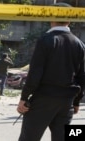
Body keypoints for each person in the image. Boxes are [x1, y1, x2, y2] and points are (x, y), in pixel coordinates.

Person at [16, 2, 85, 141]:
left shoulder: (46, 40)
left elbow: (35, 73)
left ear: (51, 17)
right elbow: (82, 76)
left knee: (29, 138)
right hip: (67, 101)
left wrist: (24, 97)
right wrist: (76, 101)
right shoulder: (79, 44)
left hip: (44, 98)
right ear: (70, 19)